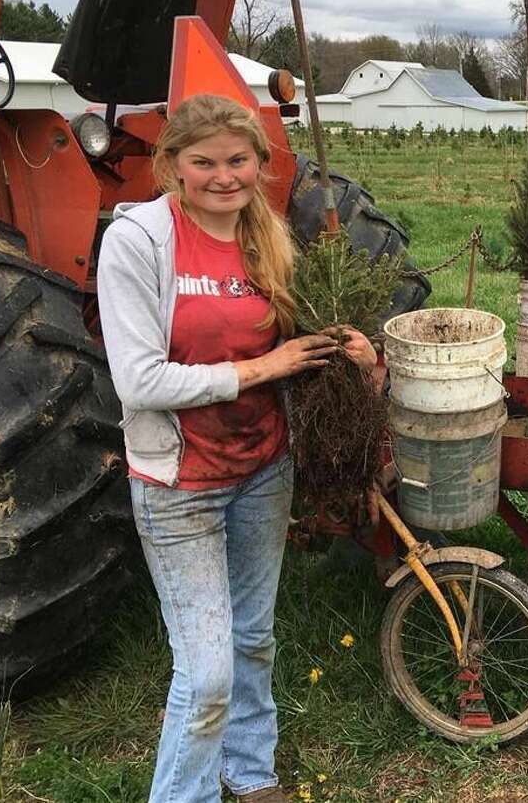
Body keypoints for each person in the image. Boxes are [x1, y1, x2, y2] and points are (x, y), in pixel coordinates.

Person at [97, 94, 375, 803]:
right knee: (206, 674)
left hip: (262, 469)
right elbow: (139, 381)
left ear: (259, 162)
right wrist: (261, 369)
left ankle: (249, 773)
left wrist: (350, 348)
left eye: (238, 160)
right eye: (204, 162)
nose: (224, 177)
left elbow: (295, 342)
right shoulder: (138, 242)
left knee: (253, 638)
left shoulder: (268, 236)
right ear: (172, 165)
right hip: (179, 483)